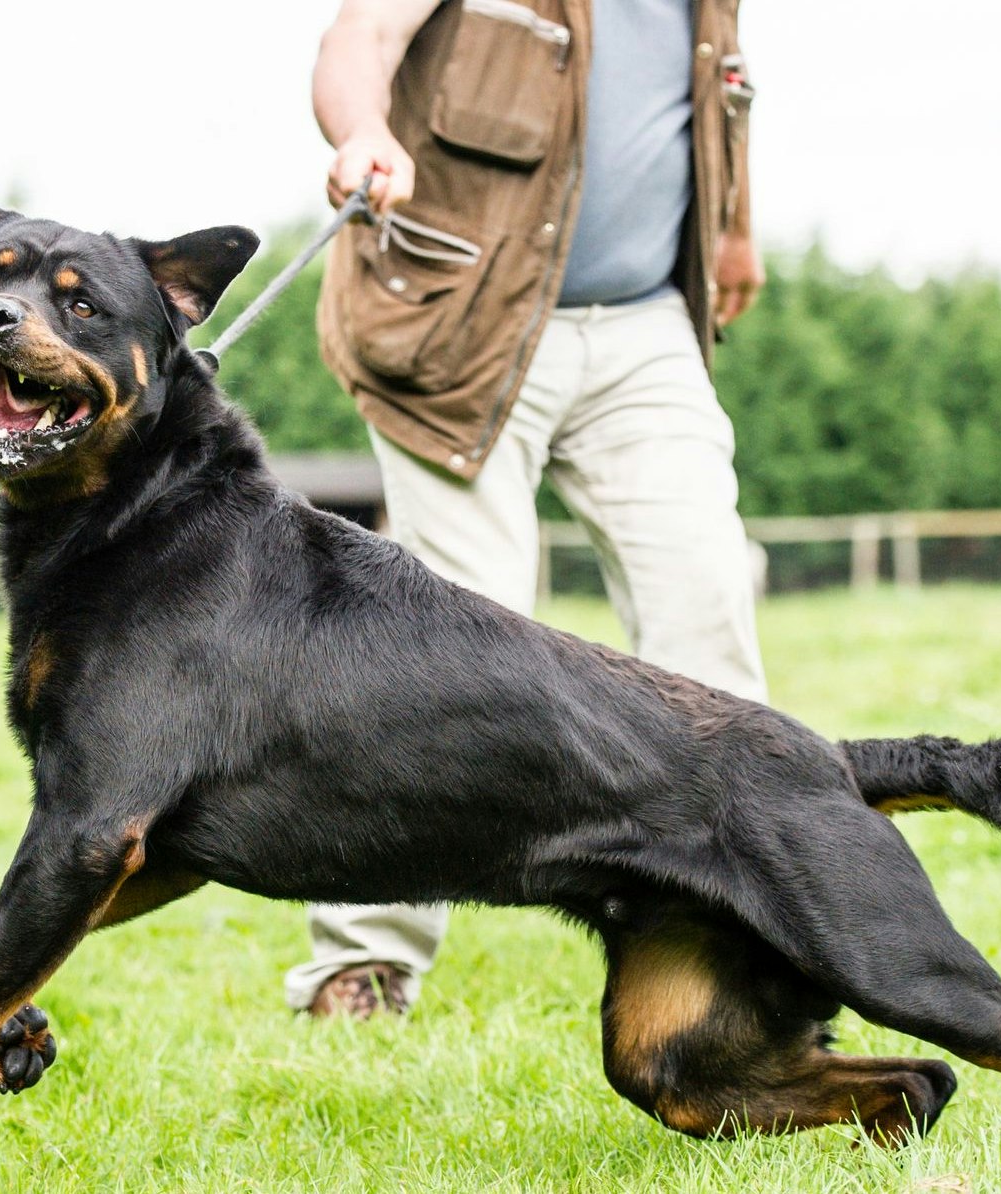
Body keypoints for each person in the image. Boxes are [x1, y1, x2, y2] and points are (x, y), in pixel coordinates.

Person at [290, 0, 770, 1019]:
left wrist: (732, 233)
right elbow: (359, 37)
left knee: (708, 603)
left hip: (644, 328)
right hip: (459, 319)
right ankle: (364, 963)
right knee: (447, 647)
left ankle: (736, 950)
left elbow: (711, 106)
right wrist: (362, 131)